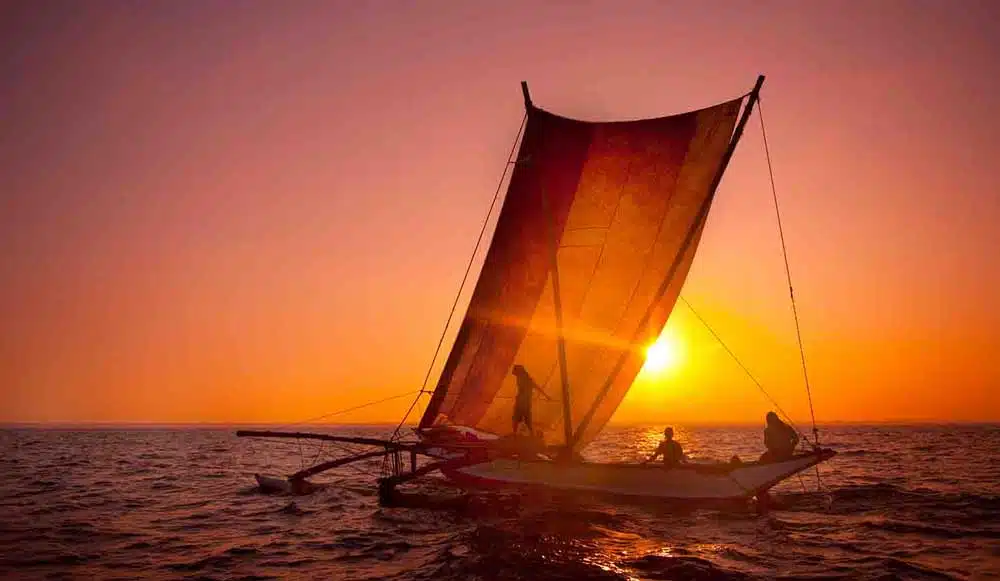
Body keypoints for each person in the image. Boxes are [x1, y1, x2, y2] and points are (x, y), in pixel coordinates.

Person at [511, 364, 550, 434]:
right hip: (522, 402)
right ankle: (516, 434)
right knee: (520, 418)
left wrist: (546, 396)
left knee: (525, 419)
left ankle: (529, 434)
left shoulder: (526, 379)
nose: (516, 375)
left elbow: (536, 387)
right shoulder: (521, 378)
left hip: (524, 402)